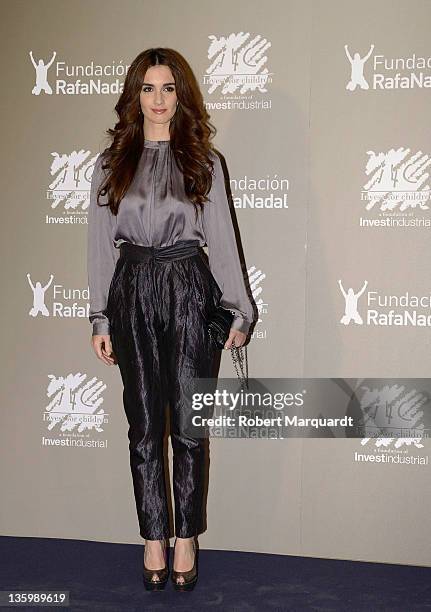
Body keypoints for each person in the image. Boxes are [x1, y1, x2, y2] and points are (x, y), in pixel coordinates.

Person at [87, 48, 254, 591]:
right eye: (148, 89)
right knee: (142, 427)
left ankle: (186, 538)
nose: (158, 100)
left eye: (168, 89)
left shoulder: (204, 161)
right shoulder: (110, 164)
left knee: (186, 426)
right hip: (131, 290)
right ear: (135, 97)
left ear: (182, 96)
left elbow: (223, 241)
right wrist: (100, 316)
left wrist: (238, 309)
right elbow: (98, 247)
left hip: (187, 289)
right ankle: (153, 536)